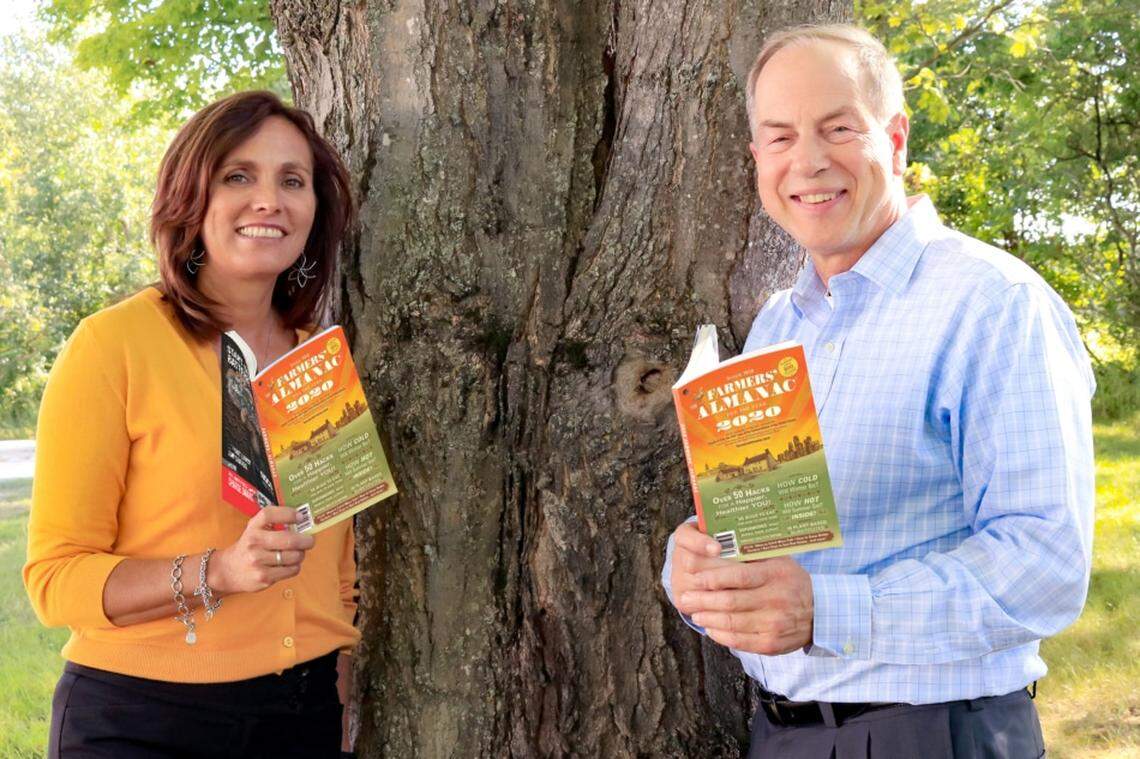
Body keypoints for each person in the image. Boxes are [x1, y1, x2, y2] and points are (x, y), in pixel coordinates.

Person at [663, 24, 1095, 758]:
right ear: (756, 158)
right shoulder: (778, 326)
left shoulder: (993, 303)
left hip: (931, 734)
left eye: (838, 128)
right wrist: (703, 574)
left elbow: (1044, 565)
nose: (808, 160)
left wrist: (827, 608)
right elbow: (765, 539)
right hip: (782, 733)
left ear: (895, 139)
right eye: (780, 137)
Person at [24, 91, 360, 758]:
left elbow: (338, 576)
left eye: (292, 180)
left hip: (306, 719)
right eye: (239, 175)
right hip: (144, 721)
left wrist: (344, 711)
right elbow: (55, 579)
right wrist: (221, 570)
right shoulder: (113, 345)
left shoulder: (319, 359)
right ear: (191, 197)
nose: (270, 199)